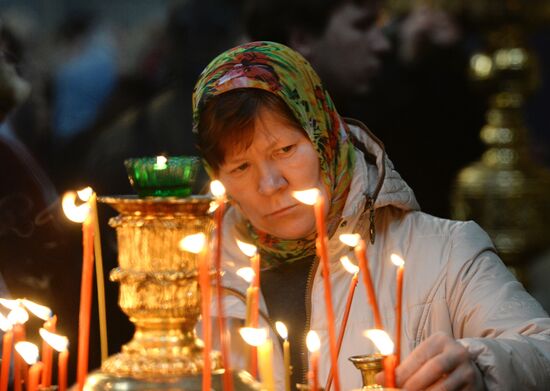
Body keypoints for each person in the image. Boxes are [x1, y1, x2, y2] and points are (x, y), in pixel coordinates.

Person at [192, 41, 550, 390]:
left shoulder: (442, 253)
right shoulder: (200, 275)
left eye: (285, 149)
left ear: (324, 136)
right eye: (240, 167)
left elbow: (543, 348)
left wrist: (481, 365)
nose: (270, 183)